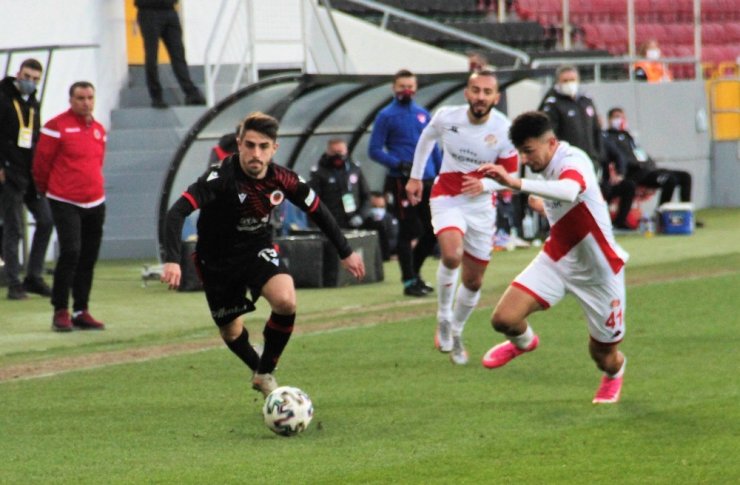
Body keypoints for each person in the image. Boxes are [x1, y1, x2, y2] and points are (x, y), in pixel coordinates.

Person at [160, 112, 365, 398]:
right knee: (231, 333)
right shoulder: (219, 178)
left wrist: (346, 252)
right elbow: (176, 212)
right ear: (239, 144)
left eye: (263, 146)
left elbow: (317, 209)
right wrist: (171, 259)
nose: (256, 153)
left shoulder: (283, 178)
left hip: (256, 248)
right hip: (217, 260)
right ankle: (260, 371)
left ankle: (266, 371)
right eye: (250, 145)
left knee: (285, 300)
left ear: (274, 149)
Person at [477, 111, 628, 404]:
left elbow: (570, 190)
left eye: (529, 151)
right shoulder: (544, 167)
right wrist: (542, 204)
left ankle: (614, 373)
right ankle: (524, 342)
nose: (525, 159)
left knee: (603, 356)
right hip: (558, 259)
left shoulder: (573, 160)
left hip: (600, 273)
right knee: (503, 319)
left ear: (551, 143)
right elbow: (567, 205)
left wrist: (515, 183)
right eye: (520, 152)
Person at [406, 70, 519, 365]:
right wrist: (416, 177)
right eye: (475, 90)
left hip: (481, 206)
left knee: (473, 281)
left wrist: (486, 184)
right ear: (467, 93)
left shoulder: (505, 130)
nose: (480, 97)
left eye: (486, 92)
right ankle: (443, 317)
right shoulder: (447, 116)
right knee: (452, 255)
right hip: (447, 196)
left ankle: (456, 331)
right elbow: (426, 138)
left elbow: (511, 176)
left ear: (496, 97)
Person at [32, 81, 108, 332]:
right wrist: (47, 192)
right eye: (80, 98)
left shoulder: (99, 129)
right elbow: (41, 164)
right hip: (64, 200)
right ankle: (60, 310)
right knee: (71, 252)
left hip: (95, 201)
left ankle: (81, 310)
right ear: (71, 100)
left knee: (88, 256)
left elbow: (97, 162)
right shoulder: (56, 127)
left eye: (89, 97)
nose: (86, 102)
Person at [368, 69, 442, 297]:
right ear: (394, 88)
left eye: (410, 86)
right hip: (401, 181)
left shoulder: (422, 114)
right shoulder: (386, 116)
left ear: (416, 87)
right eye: (402, 86)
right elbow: (374, 150)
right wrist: (398, 164)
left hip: (428, 179)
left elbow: (434, 147)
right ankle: (409, 280)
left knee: (433, 229)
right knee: (407, 230)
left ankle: (415, 273)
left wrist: (441, 174)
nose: (406, 90)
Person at [0, 58, 53, 300]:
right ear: (18, 73)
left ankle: (33, 276)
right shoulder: (2, 98)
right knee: (14, 229)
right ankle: (13, 283)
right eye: (27, 76)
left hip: (30, 172)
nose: (30, 82)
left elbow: (35, 138)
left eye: (35, 79)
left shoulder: (33, 104)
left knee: (45, 220)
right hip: (9, 172)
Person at [605, 107, 693, 206]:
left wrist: (650, 164)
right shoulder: (609, 138)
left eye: (622, 117)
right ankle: (661, 213)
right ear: (609, 119)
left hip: (649, 170)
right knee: (670, 180)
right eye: (617, 117)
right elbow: (621, 158)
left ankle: (687, 212)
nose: (620, 120)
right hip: (636, 173)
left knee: (685, 176)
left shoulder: (629, 137)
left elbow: (641, 153)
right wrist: (637, 164)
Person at [135, 0, 206, 108]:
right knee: (152, 57)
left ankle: (191, 93)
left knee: (178, 55)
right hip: (148, 11)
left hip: (170, 10)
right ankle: (156, 96)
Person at [539, 65, 603, 174]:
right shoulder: (552, 104)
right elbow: (549, 135)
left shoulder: (586, 101)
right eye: (565, 80)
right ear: (558, 82)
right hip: (567, 161)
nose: (569, 83)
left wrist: (599, 156)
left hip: (590, 159)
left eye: (572, 80)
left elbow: (596, 130)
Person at [309, 138, 370, 230]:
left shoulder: (354, 169)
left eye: (340, 151)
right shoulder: (319, 172)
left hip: (353, 221)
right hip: (331, 223)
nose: (337, 155)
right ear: (328, 152)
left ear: (346, 151)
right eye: (334, 152)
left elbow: (366, 196)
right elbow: (313, 200)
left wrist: (361, 216)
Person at [600, 130, 636, 230]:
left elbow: (619, 156)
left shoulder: (603, 140)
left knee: (628, 186)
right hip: (587, 184)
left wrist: (620, 174)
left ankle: (620, 221)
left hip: (604, 182)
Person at [362, 191, 399, 261]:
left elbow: (394, 239)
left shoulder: (390, 220)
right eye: (374, 206)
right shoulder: (362, 221)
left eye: (381, 207)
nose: (378, 210)